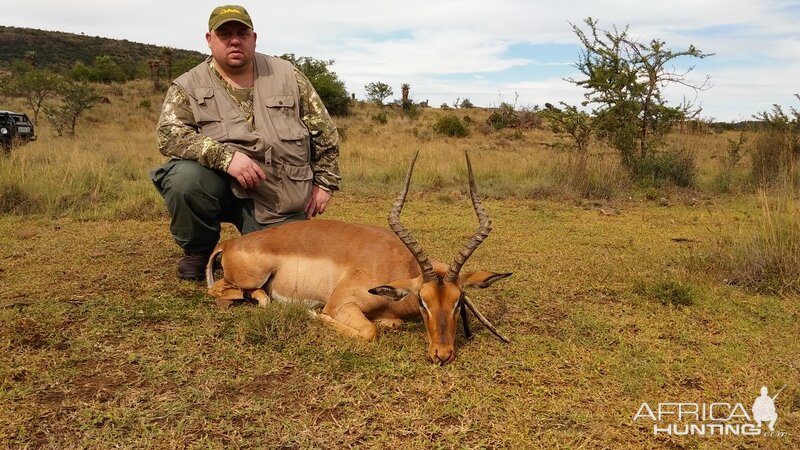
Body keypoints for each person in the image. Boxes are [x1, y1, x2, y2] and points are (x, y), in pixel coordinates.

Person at [150, 4, 341, 280]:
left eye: (242, 32)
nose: (234, 39)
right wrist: (225, 158)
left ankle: (252, 243)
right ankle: (199, 251)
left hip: (278, 195)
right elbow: (169, 134)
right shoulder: (187, 86)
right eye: (224, 33)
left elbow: (325, 132)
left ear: (254, 38)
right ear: (209, 40)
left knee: (293, 270)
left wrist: (324, 183)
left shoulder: (288, 75)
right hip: (220, 187)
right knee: (183, 179)